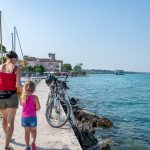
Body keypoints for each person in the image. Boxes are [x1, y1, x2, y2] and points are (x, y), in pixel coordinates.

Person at [0, 51, 21, 150]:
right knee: (10, 121)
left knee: (4, 118)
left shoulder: (0, 67)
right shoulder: (16, 69)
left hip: (0, 95)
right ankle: (7, 146)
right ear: (14, 58)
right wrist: (21, 97)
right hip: (12, 96)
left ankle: (8, 137)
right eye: (16, 59)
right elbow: (18, 85)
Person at [20, 80, 41, 150]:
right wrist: (35, 108)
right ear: (34, 89)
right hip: (32, 117)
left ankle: (27, 146)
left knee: (26, 132)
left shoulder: (22, 97)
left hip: (24, 118)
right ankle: (33, 142)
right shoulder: (35, 97)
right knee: (33, 131)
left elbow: (21, 104)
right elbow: (38, 108)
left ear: (24, 88)